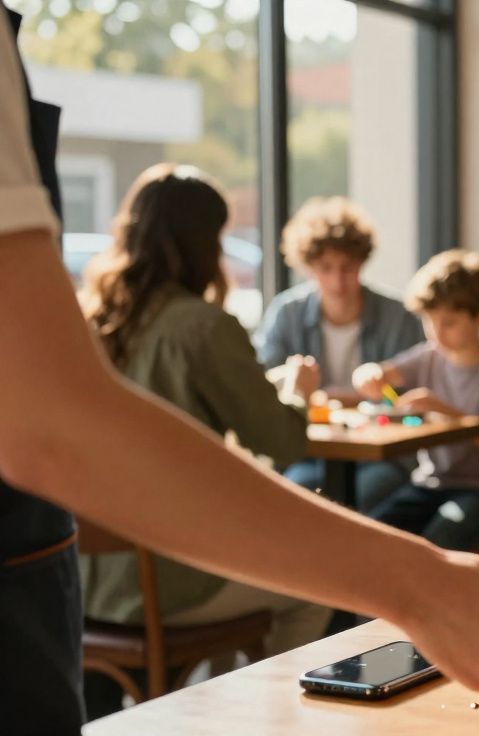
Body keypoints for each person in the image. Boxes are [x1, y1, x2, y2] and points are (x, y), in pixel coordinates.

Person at [0, 25, 479, 735]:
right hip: (120, 575)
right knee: (309, 589)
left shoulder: (104, 313)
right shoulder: (208, 324)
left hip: (91, 574)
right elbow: (64, 426)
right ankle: (302, 722)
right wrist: (428, 588)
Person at [79, 164, 330, 677]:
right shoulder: (204, 327)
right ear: (203, 242)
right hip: (172, 579)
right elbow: (280, 442)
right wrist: (297, 393)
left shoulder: (95, 321)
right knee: (322, 581)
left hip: (86, 584)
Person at [257, 197, 425, 510]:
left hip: (380, 457)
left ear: (362, 262)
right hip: (310, 453)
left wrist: (328, 396)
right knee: (296, 496)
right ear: (309, 267)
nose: (338, 281)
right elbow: (265, 384)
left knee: (354, 499)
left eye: (347, 268)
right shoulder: (286, 314)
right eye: (326, 269)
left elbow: (408, 397)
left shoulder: (397, 317)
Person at [354, 250, 479, 551]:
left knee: (439, 540)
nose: (436, 333)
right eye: (429, 322)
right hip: (429, 485)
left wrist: (446, 412)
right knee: (372, 534)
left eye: (448, 323)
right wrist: (369, 375)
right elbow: (379, 373)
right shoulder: (427, 356)